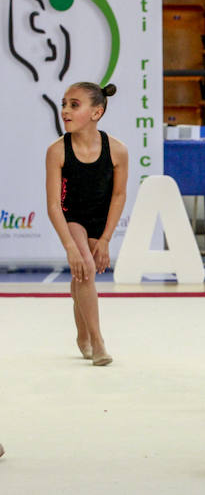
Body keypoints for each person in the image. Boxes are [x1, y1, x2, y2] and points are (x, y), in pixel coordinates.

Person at [45, 83, 127, 366]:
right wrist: (69, 245)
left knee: (82, 276)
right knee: (86, 269)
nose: (65, 110)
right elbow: (54, 205)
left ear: (97, 112)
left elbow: (118, 195)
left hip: (99, 218)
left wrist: (105, 238)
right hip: (72, 217)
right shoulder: (57, 151)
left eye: (74, 105)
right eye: (64, 104)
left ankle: (81, 333)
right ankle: (97, 341)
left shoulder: (117, 150)